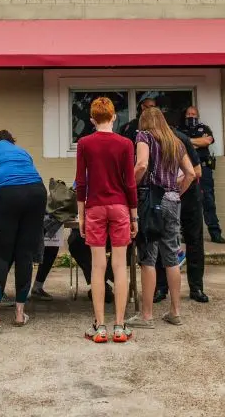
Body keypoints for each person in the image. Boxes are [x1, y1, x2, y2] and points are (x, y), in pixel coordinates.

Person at [126, 106, 196, 331]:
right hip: (173, 201)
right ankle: (175, 312)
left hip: (150, 200)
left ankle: (146, 315)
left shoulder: (144, 136)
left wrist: (131, 186)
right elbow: (191, 173)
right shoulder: (176, 142)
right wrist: (176, 191)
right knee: (172, 256)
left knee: (148, 257)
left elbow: (142, 164)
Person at [75, 96, 138, 343]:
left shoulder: (84, 143)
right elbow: (130, 183)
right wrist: (134, 215)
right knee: (120, 266)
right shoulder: (125, 144)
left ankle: (100, 327)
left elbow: (81, 182)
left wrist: (81, 215)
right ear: (114, 117)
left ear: (92, 119)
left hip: (95, 207)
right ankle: (120, 327)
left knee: (98, 267)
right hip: (120, 206)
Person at [0, 130, 47, 332]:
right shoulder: (22, 151)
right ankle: (20, 315)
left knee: (2, 253)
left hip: (7, 193)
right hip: (37, 192)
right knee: (25, 253)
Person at [154, 125, 208, 303]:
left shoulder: (181, 139)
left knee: (194, 240)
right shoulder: (149, 141)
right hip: (164, 198)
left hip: (188, 195)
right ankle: (161, 287)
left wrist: (173, 186)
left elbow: (196, 171)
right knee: (161, 240)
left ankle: (196, 287)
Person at [181, 105, 224, 243]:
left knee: (208, 200)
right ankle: (185, 234)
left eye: (193, 114)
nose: (191, 116)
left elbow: (207, 140)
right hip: (185, 170)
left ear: (197, 115)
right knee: (185, 201)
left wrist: (187, 141)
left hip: (204, 170)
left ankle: (215, 232)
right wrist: (197, 142)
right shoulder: (180, 129)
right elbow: (178, 143)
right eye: (188, 114)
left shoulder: (204, 128)